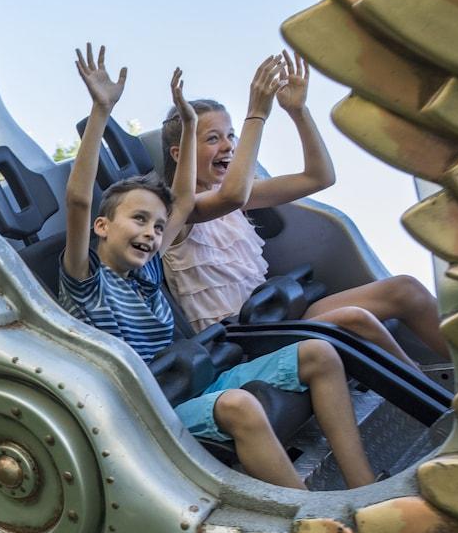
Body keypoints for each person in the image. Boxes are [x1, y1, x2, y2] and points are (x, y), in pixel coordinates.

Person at [60, 44, 374, 490]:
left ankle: (364, 488)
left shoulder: (148, 270)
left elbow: (183, 200)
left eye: (156, 225)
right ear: (103, 226)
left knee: (319, 352)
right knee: (240, 406)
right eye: (138, 220)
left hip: (200, 378)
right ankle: (312, 514)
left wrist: (190, 125)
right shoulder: (85, 282)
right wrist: (101, 110)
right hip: (154, 408)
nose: (150, 232)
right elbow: (77, 199)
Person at [160, 50, 447, 366]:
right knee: (356, 319)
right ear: (180, 153)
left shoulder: (237, 197)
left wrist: (298, 111)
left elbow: (319, 176)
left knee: (405, 290)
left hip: (275, 318)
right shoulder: (177, 209)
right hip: (238, 342)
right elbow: (232, 196)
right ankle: (436, 398)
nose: (228, 145)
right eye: (213, 138)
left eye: (231, 136)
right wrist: (257, 114)